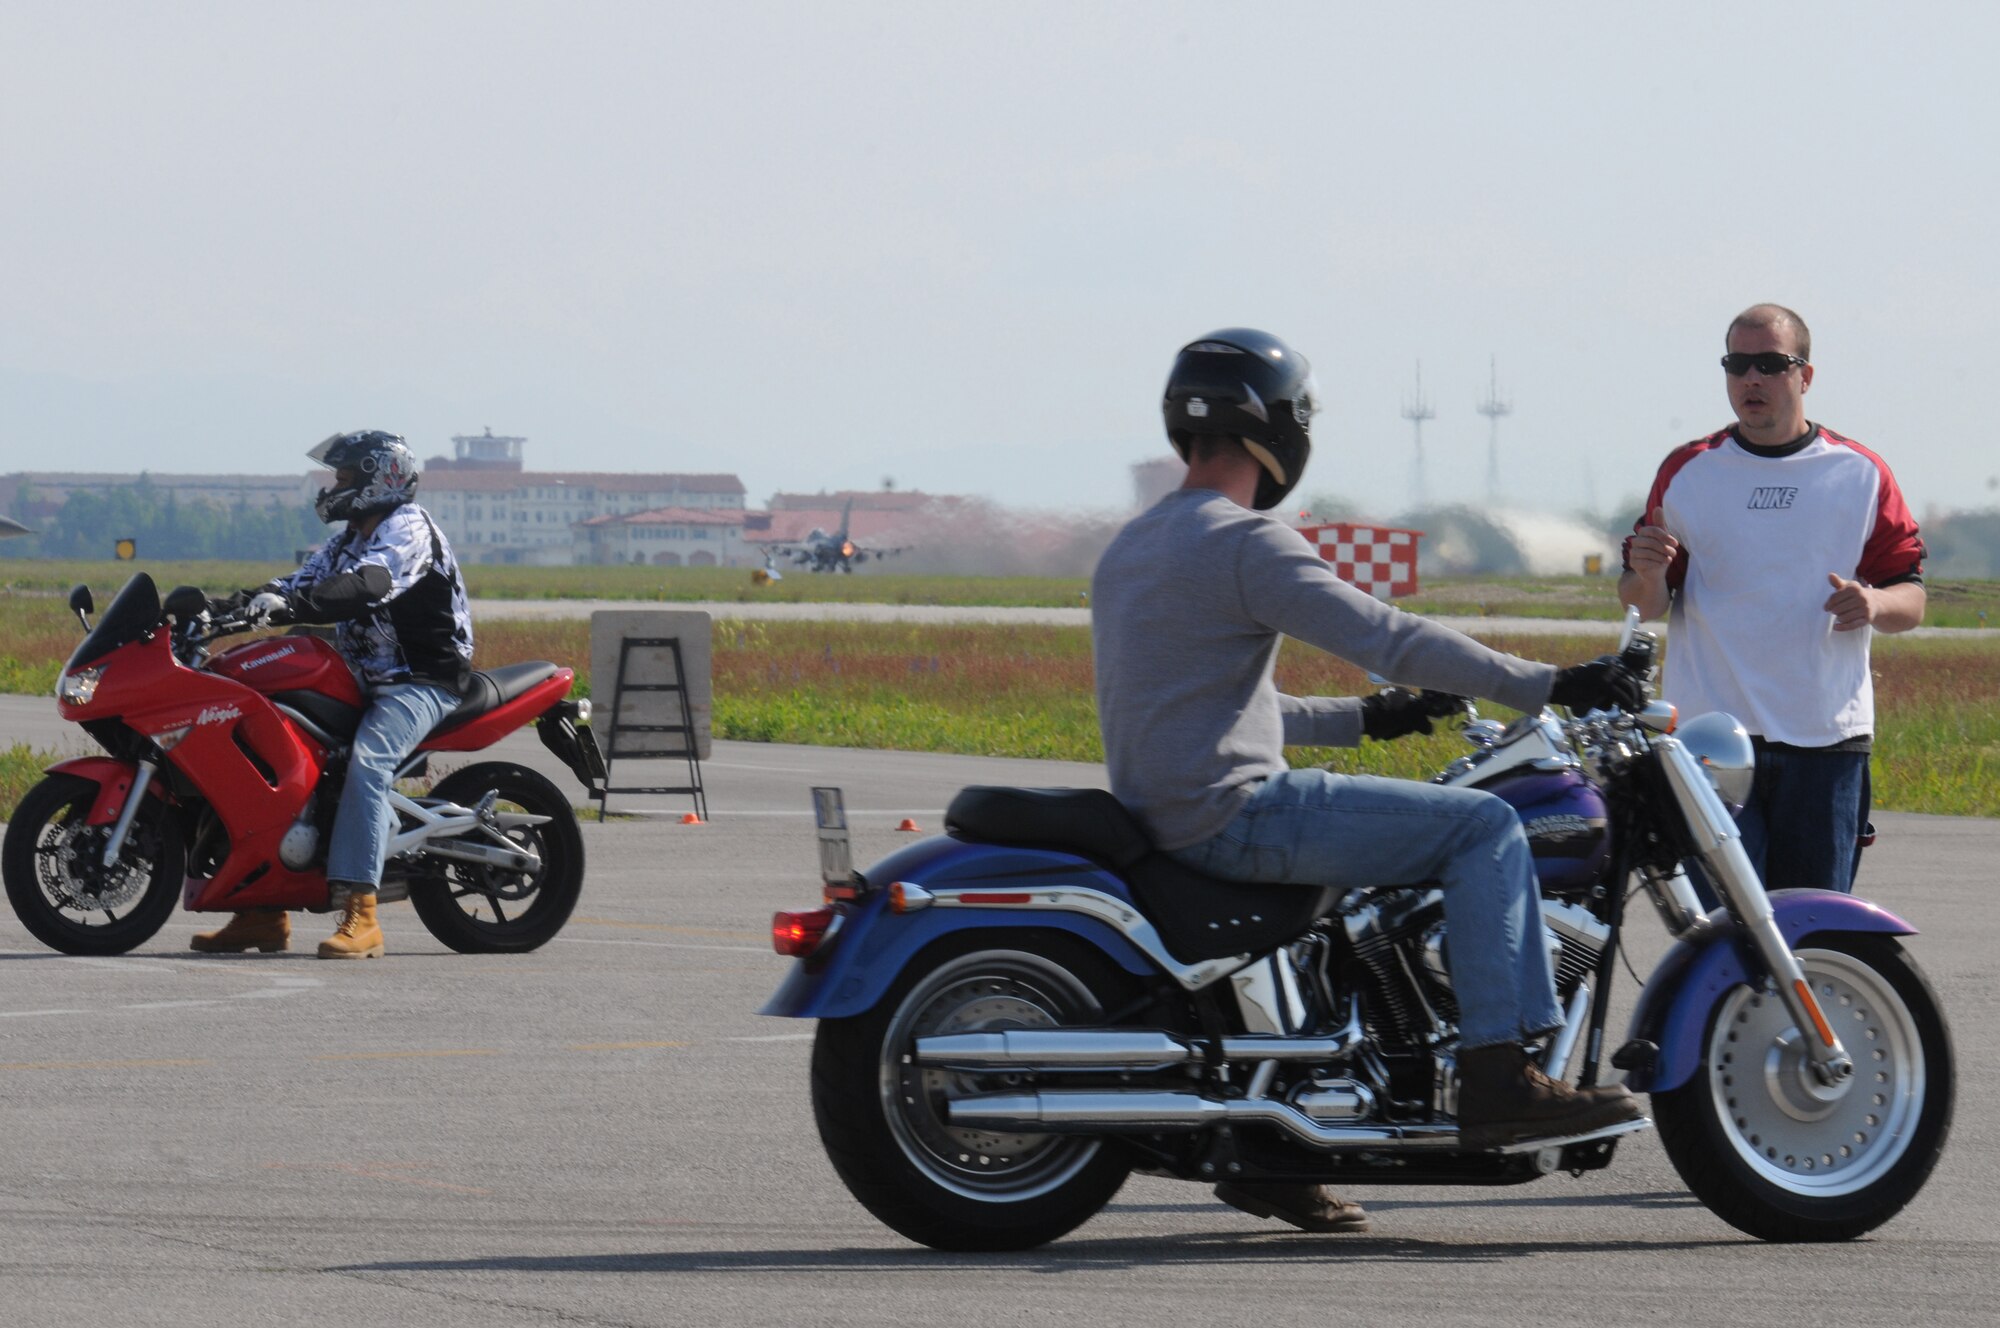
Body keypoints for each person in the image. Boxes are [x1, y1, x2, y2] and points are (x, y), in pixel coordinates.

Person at [1091, 328, 1645, 1236]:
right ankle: (1503, 1075)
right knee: (1480, 830)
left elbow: (1214, 707)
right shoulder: (1246, 544)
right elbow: (1392, 637)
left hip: (1172, 809)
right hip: (1236, 814)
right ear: (1281, 429)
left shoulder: (1133, 547)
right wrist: (1550, 683)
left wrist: (1367, 718)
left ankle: (1279, 1149)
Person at [1620, 305, 1925, 894]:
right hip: (1711, 745)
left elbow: (1910, 596)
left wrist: (1874, 604)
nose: (1751, 380)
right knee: (1724, 936)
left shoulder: (1860, 473)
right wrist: (1648, 574)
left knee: (1814, 933)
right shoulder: (1689, 470)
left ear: (1804, 375)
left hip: (1824, 741)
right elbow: (1642, 601)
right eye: (1737, 365)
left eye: (1769, 364)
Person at [190, 430, 474, 959]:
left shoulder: (406, 528)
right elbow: (300, 581)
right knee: (268, 750)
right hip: (362, 677)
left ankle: (362, 913)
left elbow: (366, 585)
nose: (333, 487)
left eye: (344, 477)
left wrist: (297, 606)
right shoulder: (348, 539)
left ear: (377, 478)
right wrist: (225, 609)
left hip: (420, 682)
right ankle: (262, 910)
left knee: (367, 764)